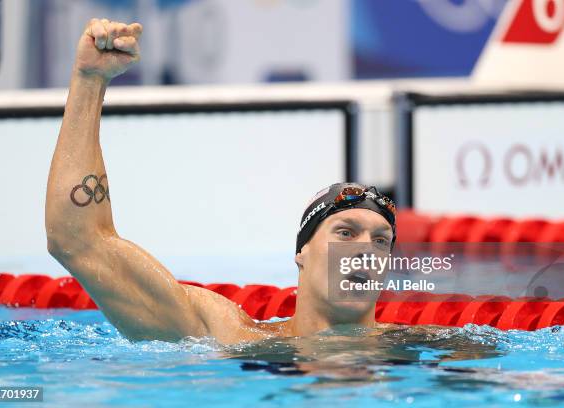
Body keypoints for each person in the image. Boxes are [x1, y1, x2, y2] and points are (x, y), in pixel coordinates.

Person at [45, 18, 397, 345]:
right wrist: (89, 81)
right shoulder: (229, 337)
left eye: (382, 242)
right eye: (346, 233)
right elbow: (77, 240)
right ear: (301, 254)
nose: (365, 251)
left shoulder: (425, 346)